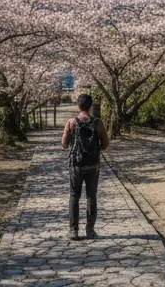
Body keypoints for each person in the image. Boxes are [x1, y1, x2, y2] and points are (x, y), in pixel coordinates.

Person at [61, 93, 109, 240]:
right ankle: (90, 230)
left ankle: (73, 231)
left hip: (76, 165)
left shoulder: (71, 122)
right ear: (90, 105)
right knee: (91, 196)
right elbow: (106, 144)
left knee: (74, 196)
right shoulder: (98, 123)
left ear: (78, 105)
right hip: (93, 164)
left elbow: (64, 144)